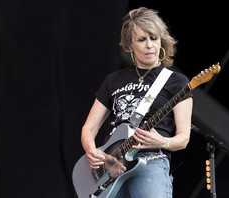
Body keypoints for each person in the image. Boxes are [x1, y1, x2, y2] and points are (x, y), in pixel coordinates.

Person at [80, 6, 193, 198]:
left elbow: (183, 138)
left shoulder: (176, 82)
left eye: (154, 38)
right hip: (110, 163)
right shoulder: (113, 80)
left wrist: (163, 141)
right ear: (129, 45)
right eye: (141, 40)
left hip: (150, 162)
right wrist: (92, 152)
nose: (149, 45)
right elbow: (89, 128)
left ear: (161, 42)